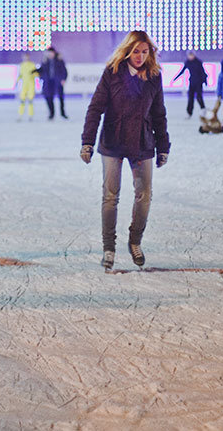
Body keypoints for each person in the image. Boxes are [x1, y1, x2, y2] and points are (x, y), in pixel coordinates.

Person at [80, 31, 170, 270]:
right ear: (127, 50)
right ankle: (109, 247)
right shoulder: (112, 73)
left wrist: (163, 146)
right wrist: (87, 141)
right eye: (135, 51)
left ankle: (135, 241)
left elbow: (159, 114)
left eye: (144, 51)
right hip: (113, 141)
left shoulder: (154, 76)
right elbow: (95, 108)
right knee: (110, 196)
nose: (140, 56)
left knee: (144, 195)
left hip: (142, 142)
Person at [172, 51, 208, 117]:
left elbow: (203, 72)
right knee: (190, 98)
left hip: (198, 82)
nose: (190, 57)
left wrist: (205, 81)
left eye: (191, 55)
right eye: (189, 55)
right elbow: (182, 71)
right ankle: (189, 112)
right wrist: (175, 78)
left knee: (199, 97)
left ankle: (203, 109)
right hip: (192, 82)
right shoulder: (187, 62)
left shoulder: (198, 62)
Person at [37, 46, 69, 119]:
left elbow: (64, 71)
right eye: (49, 53)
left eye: (51, 53)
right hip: (48, 82)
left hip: (57, 81)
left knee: (60, 98)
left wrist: (63, 79)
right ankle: (51, 113)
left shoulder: (59, 60)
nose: (50, 54)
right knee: (49, 97)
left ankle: (62, 113)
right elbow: (42, 71)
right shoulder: (45, 61)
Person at [17, 53, 39, 120]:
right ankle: (20, 115)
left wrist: (34, 74)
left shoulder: (32, 65)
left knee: (30, 101)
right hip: (24, 85)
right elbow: (20, 75)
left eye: (26, 57)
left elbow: (36, 74)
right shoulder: (22, 65)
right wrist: (17, 81)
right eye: (24, 57)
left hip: (31, 85)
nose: (25, 58)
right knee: (22, 100)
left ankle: (30, 115)